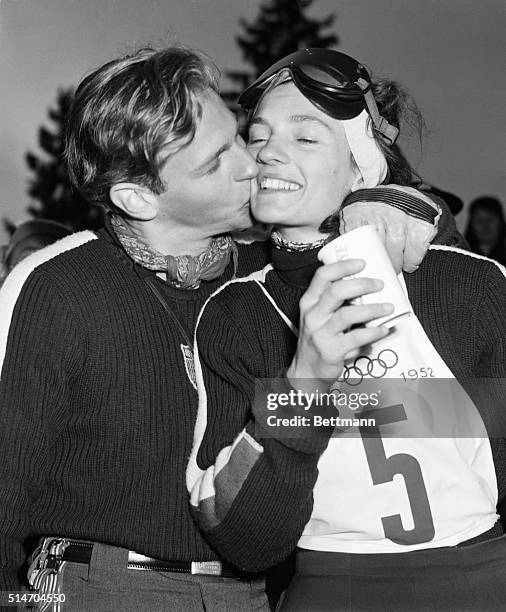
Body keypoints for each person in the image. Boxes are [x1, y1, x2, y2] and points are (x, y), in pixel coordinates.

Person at [0, 45, 450, 611]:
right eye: (215, 162)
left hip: (254, 594)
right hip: (100, 587)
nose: (250, 163)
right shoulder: (56, 285)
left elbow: (443, 278)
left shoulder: (270, 272)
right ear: (137, 196)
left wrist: (388, 203)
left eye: (239, 137)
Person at [187, 49, 506, 611]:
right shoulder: (235, 312)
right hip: (328, 590)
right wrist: (306, 385)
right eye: (256, 136)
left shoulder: (470, 284)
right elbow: (248, 542)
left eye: (306, 138)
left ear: (365, 166)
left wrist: (409, 208)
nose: (267, 153)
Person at [465, 196, 506, 265]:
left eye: (490, 219)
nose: (485, 225)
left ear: (500, 222)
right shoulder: (463, 256)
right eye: (479, 220)